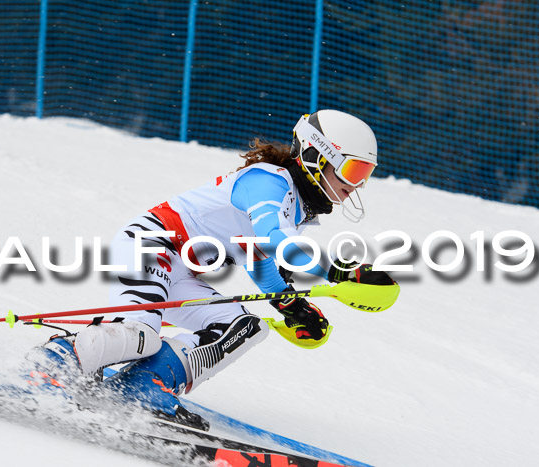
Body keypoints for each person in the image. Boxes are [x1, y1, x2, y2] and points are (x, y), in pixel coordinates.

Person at [35, 109, 395, 427]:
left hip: (180, 270)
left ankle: (145, 389)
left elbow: (259, 256)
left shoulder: (295, 206)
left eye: (366, 173)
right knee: (141, 334)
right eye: (352, 170)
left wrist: (289, 305)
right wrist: (336, 272)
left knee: (242, 327)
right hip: (152, 245)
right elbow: (273, 236)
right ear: (316, 156)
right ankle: (57, 360)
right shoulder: (268, 182)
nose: (357, 185)